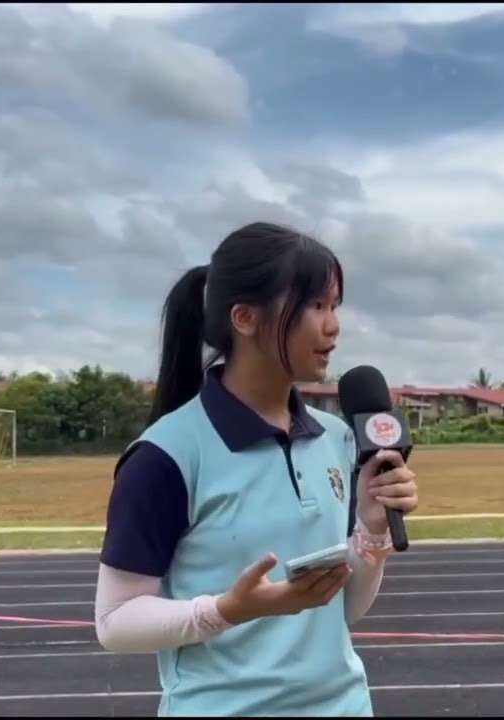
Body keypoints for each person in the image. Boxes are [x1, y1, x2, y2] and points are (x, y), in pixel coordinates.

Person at [93, 222, 420, 717]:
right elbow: (115, 622)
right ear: (244, 318)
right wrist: (228, 610)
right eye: (315, 306)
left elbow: (340, 612)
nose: (333, 326)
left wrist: (371, 533)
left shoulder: (337, 440)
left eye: (335, 307)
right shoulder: (165, 455)